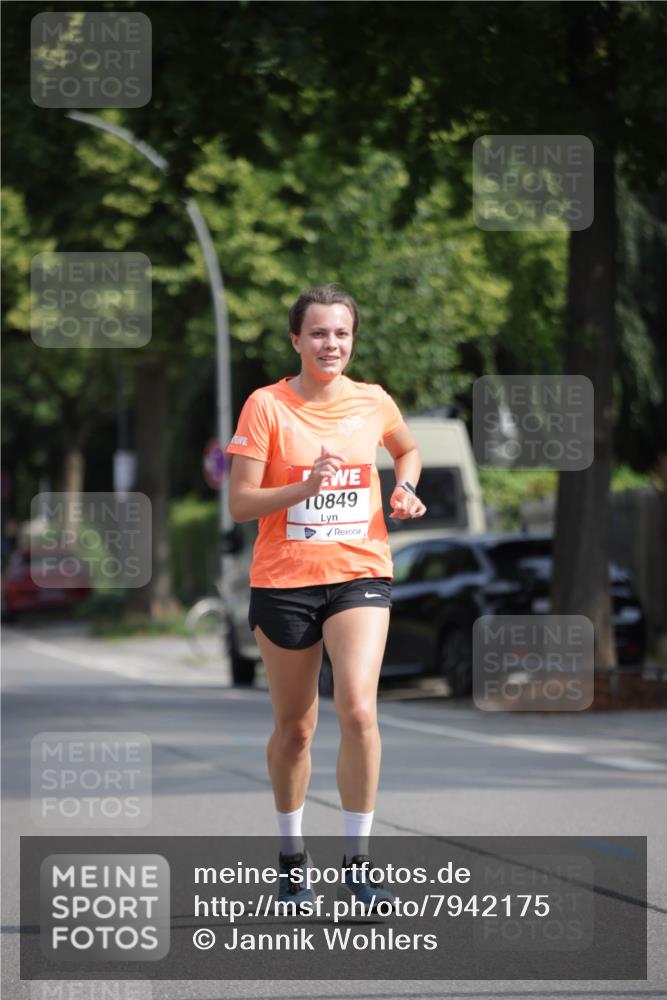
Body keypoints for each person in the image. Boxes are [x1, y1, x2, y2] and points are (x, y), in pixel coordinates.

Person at [226, 284, 426, 913]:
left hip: (360, 572)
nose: (330, 344)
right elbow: (239, 503)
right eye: (317, 333)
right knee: (296, 730)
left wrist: (405, 488)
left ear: (352, 339)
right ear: (296, 340)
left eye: (340, 333)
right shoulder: (266, 406)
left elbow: (407, 449)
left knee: (360, 711)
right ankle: (291, 859)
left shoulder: (373, 401)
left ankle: (359, 864)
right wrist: (301, 487)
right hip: (284, 580)